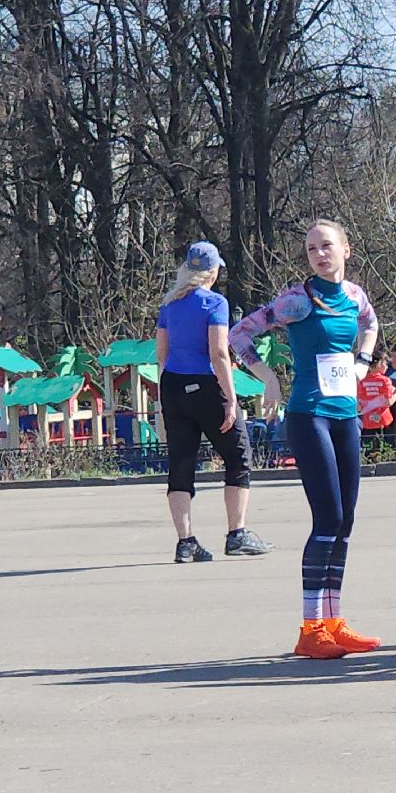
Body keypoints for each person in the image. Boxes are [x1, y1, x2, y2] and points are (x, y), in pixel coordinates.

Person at [230, 219, 382, 659]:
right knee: (328, 518)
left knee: (347, 521)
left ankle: (334, 622)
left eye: (327, 245)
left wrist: (363, 362)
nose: (319, 254)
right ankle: (310, 627)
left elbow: (370, 324)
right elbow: (240, 334)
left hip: (345, 416)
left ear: (346, 250)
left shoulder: (355, 296)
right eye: (312, 248)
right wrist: (267, 377)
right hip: (308, 414)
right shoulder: (297, 300)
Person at [154, 239, 271, 564]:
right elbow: (219, 352)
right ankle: (237, 533)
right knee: (238, 454)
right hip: (206, 384)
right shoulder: (215, 303)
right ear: (213, 271)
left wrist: (165, 402)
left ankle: (186, 541)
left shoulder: (169, 305)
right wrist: (231, 399)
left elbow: (161, 354)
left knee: (180, 463)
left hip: (173, 385)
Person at [357, 347, 396, 440]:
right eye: (385, 363)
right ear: (378, 363)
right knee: (386, 450)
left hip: (367, 423)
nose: (387, 366)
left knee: (368, 451)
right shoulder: (385, 381)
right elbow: (388, 402)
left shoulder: (361, 381)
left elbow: (358, 406)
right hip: (384, 421)